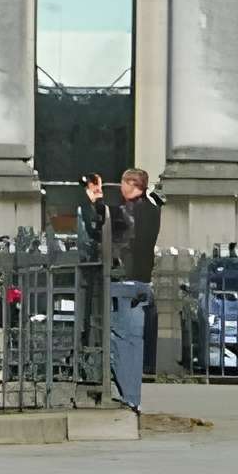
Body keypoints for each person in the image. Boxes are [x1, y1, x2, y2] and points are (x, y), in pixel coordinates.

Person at [81, 167, 163, 410]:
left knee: (118, 339)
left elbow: (105, 218)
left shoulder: (128, 212)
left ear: (129, 185)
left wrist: (95, 196)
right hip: (142, 283)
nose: (121, 188)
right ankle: (134, 397)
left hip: (123, 282)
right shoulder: (153, 209)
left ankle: (127, 395)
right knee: (134, 342)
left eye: (123, 184)